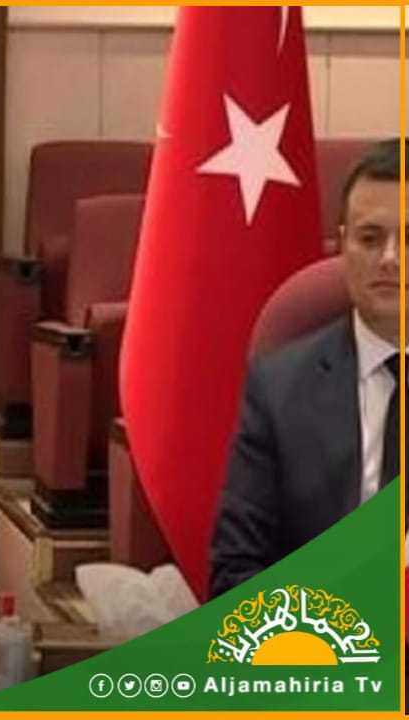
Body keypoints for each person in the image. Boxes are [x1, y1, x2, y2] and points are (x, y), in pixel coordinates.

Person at [210, 139, 402, 598]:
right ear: (342, 246)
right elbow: (236, 572)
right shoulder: (279, 391)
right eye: (370, 238)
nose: (390, 258)